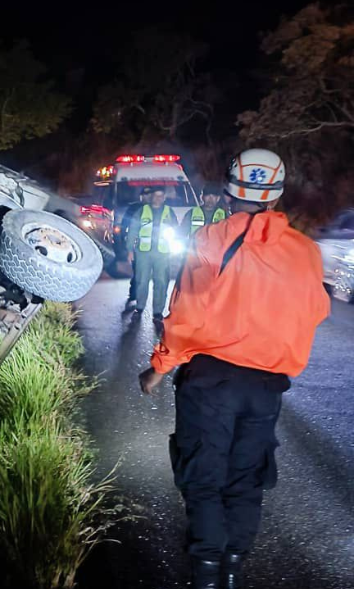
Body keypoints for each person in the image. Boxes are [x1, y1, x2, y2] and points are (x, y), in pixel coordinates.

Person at [138, 149, 330, 589]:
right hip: (266, 388)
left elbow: (186, 314)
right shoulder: (306, 252)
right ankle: (231, 571)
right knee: (245, 480)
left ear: (228, 188)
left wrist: (158, 367)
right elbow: (315, 311)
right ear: (275, 195)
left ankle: (206, 575)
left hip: (211, 382)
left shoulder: (211, 239)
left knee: (204, 478)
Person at [125, 185, 175, 324]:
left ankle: (158, 312)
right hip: (143, 253)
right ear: (151, 197)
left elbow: (176, 231)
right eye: (155, 195)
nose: (158, 198)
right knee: (141, 281)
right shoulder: (141, 211)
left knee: (161, 282)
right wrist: (130, 250)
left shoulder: (169, 212)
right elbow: (133, 231)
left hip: (163, 253)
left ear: (164, 198)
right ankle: (139, 308)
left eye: (161, 196)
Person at [120, 190, 149, 311]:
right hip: (136, 246)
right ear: (141, 196)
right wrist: (125, 243)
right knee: (138, 271)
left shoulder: (155, 209)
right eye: (145, 194)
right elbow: (124, 226)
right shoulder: (133, 208)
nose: (147, 197)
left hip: (151, 247)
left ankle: (138, 295)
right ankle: (134, 293)